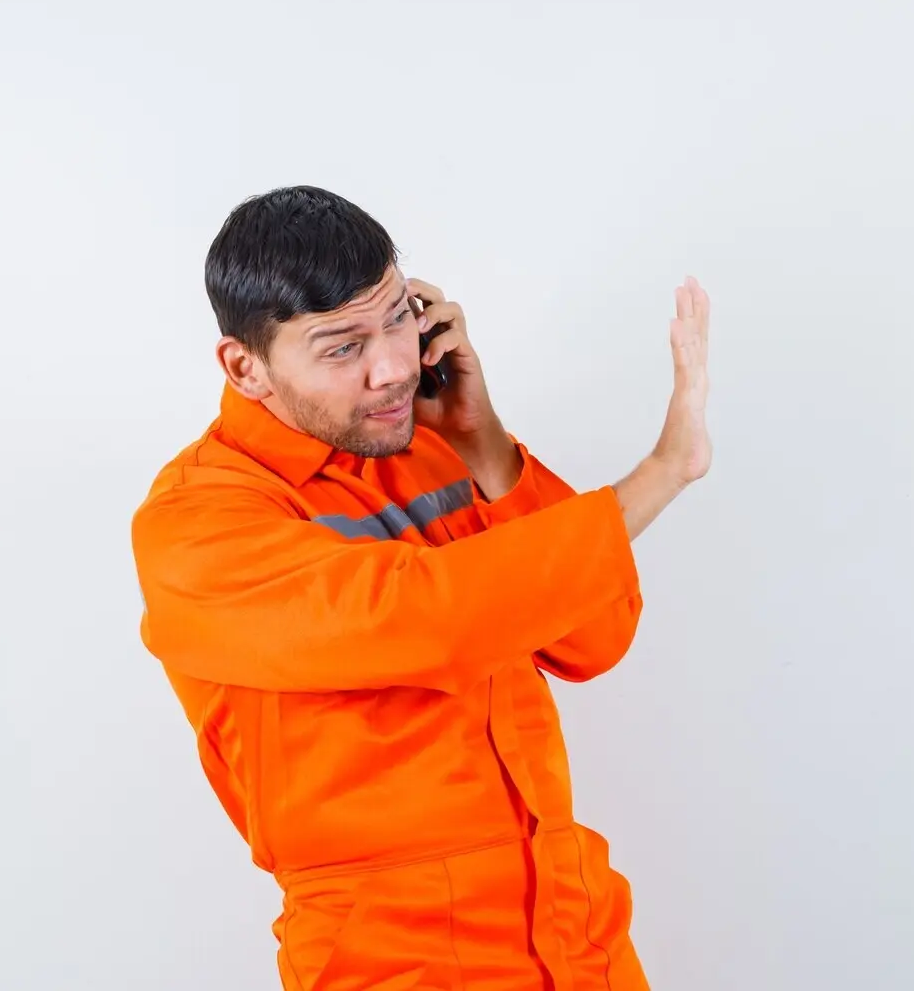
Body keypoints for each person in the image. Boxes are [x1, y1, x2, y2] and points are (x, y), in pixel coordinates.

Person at [129, 184, 712, 991]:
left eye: (399, 317)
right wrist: (663, 472)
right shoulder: (198, 524)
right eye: (343, 348)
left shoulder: (434, 448)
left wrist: (486, 444)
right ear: (244, 367)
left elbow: (593, 640)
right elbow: (430, 618)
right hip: (397, 962)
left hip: (575, 939)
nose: (395, 368)